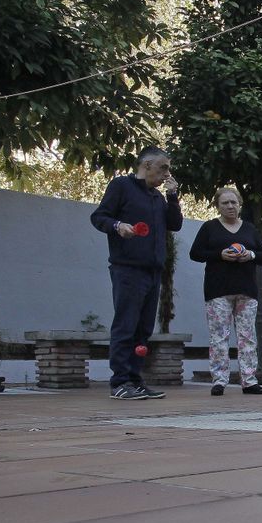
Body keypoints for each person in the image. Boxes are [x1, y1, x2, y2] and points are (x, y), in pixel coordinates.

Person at [89, 147, 183, 400]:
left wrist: (172, 196)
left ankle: (134, 379)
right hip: (127, 268)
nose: (166, 174)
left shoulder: (157, 197)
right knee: (126, 325)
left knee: (142, 330)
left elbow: (174, 224)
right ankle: (119, 382)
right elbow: (99, 217)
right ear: (147, 165)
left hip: (152, 270)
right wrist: (118, 226)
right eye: (163, 168)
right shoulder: (122, 186)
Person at [188, 187, 262, 397]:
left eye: (233, 202)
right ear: (218, 206)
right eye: (225, 203)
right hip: (218, 290)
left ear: (240, 204)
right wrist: (219, 255)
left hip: (246, 291)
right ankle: (219, 380)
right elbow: (195, 253)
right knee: (218, 337)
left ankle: (249, 381)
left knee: (247, 338)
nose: (230, 206)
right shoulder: (209, 228)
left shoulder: (250, 229)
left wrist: (250, 254)